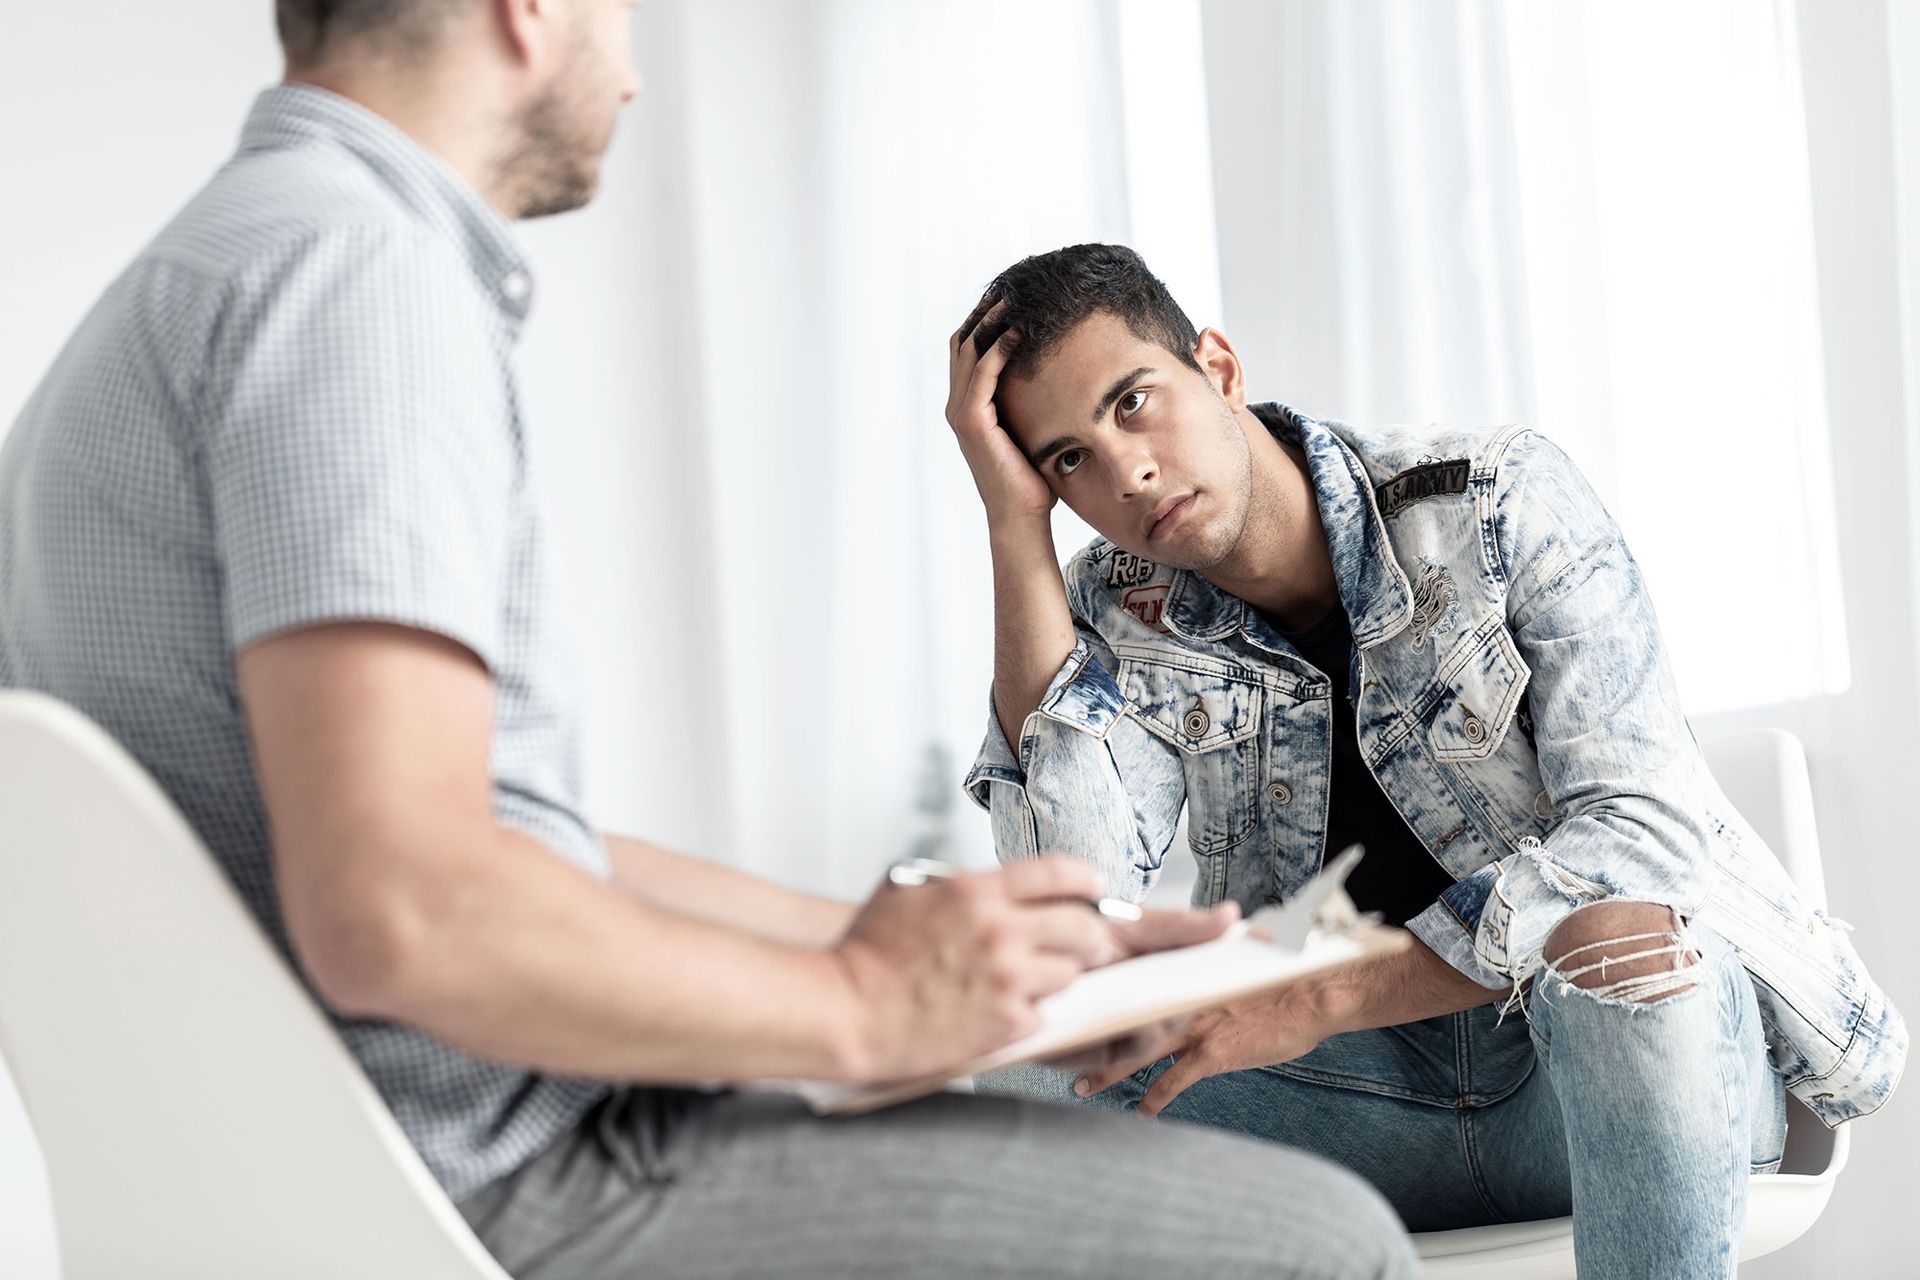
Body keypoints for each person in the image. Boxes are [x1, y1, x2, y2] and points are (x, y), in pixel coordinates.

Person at [0, 6, 1421, 1278]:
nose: (629, 66)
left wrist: (892, 948)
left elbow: (482, 852)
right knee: (1324, 1245)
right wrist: (862, 1004)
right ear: (523, 14)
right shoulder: (355, 288)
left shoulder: (203, 277)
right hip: (507, 1183)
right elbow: (404, 907)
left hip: (322, 1177)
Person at [945, 242, 1907, 1278]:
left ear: (1218, 367)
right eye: (1068, 460)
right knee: (1029, 1071)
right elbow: (1071, 901)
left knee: (1609, 941)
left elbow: (1641, 838)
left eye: (1133, 402)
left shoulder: (1494, 501)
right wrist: (1014, 526)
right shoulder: (1119, 609)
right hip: (1365, 1111)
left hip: (1613, 1074)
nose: (1124, 470)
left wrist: (1319, 995)